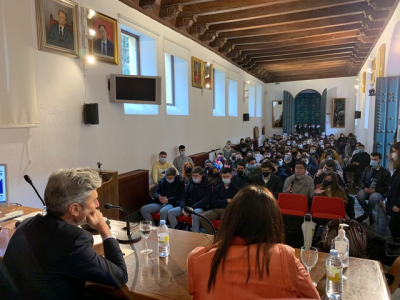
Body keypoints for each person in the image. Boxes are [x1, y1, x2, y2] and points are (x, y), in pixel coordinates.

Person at [2, 168, 128, 299]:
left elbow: (56, 256)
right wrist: (104, 230)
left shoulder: (27, 224)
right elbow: (120, 277)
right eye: (94, 200)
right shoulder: (75, 240)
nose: (98, 205)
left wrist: (93, 251)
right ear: (75, 209)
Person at [187, 185, 320, 300]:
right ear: (273, 222)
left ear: (230, 218)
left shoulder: (197, 258)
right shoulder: (284, 256)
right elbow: (313, 297)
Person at [168, 167, 212, 233]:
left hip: (199, 207)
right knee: (170, 212)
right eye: (193, 175)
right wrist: (183, 207)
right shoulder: (190, 182)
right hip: (188, 206)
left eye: (196, 175)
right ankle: (177, 232)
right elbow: (183, 196)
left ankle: (195, 234)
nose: (194, 177)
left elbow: (205, 200)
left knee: (194, 214)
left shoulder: (207, 184)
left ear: (201, 175)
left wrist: (191, 209)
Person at [200, 168, 238, 235]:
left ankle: (224, 237)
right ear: (221, 176)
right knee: (203, 217)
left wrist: (220, 201)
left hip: (227, 210)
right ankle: (212, 235)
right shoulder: (217, 188)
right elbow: (213, 202)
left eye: (227, 177)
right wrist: (226, 201)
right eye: (224, 177)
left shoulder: (235, 188)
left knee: (226, 219)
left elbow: (234, 203)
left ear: (231, 176)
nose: (225, 178)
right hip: (216, 210)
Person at [356, 152, 390, 224]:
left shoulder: (385, 172)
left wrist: (375, 190)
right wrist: (365, 187)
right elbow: (362, 180)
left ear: (380, 160)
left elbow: (386, 186)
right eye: (372, 159)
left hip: (378, 191)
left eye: (375, 159)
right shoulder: (367, 169)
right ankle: (370, 214)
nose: (373, 161)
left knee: (373, 198)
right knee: (359, 196)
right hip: (367, 188)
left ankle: (365, 215)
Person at [387, 142, 400, 240]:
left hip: (398, 203)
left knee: (394, 226)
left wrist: (398, 204)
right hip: (394, 199)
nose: (393, 154)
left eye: (395, 152)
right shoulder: (398, 166)